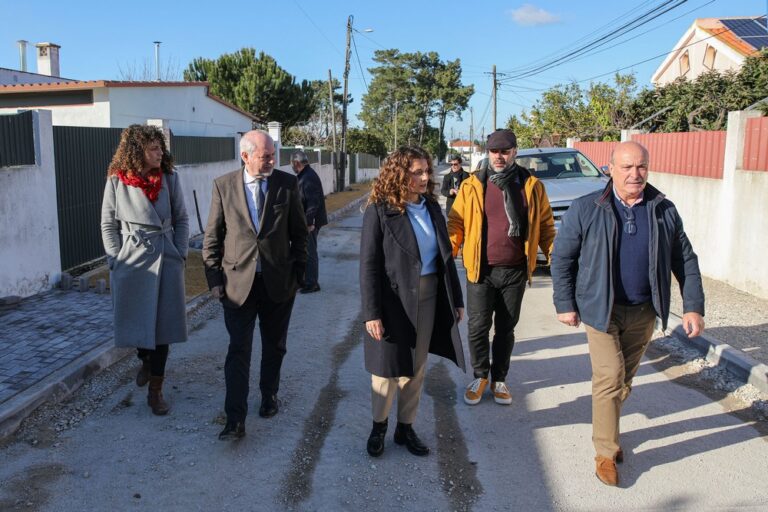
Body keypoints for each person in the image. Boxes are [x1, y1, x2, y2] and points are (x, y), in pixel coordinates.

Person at [550, 141, 705, 486]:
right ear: (610, 169)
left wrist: (692, 306)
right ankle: (605, 452)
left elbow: (685, 259)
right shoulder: (587, 208)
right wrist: (564, 303)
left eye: (641, 167)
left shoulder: (663, 209)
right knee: (609, 377)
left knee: (624, 382)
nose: (635, 174)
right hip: (600, 310)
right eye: (627, 167)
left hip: (644, 312)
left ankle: (610, 432)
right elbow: (562, 258)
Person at [360, 146, 465, 458]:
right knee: (386, 370)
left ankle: (405, 428)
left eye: (426, 171)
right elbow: (368, 265)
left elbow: (446, 258)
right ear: (399, 174)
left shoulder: (432, 206)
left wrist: (456, 299)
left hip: (430, 295)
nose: (425, 177)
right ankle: (378, 426)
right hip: (392, 301)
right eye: (417, 172)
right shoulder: (379, 210)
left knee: (417, 368)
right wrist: (371, 313)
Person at [203, 130, 308, 441]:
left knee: (275, 346)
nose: (273, 161)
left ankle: (269, 395)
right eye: (266, 156)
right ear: (246, 156)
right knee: (238, 350)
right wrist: (213, 279)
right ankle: (235, 418)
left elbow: (300, 234)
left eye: (273, 155)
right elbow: (213, 237)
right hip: (237, 286)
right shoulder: (224, 186)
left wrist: (298, 275)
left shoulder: (287, 185)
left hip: (278, 284)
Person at [448, 129, 555, 406]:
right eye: (494, 151)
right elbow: (456, 223)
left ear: (515, 152)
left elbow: (545, 227)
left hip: (515, 270)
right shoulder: (473, 185)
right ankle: (480, 375)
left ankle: (499, 380)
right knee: (477, 327)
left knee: (506, 329)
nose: (499, 156)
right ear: (488, 153)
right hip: (481, 270)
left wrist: (557, 258)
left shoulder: (531, 185)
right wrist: (449, 251)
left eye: (505, 151)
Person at [100, 124, 189, 416]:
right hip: (132, 260)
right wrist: (116, 259)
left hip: (166, 256)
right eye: (153, 148)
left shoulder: (170, 178)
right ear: (137, 151)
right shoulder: (117, 181)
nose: (159, 152)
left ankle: (155, 391)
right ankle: (145, 359)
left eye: (160, 147)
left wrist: (180, 253)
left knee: (163, 327)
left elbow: (182, 218)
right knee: (138, 324)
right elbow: (107, 223)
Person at [291, 150, 328, 294]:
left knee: (310, 253)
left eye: (293, 164)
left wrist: (309, 222)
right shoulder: (306, 175)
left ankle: (312, 283)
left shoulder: (308, 177)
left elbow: (313, 203)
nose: (292, 167)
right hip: (309, 221)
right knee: (306, 252)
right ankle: (306, 280)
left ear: (297, 163)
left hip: (311, 223)